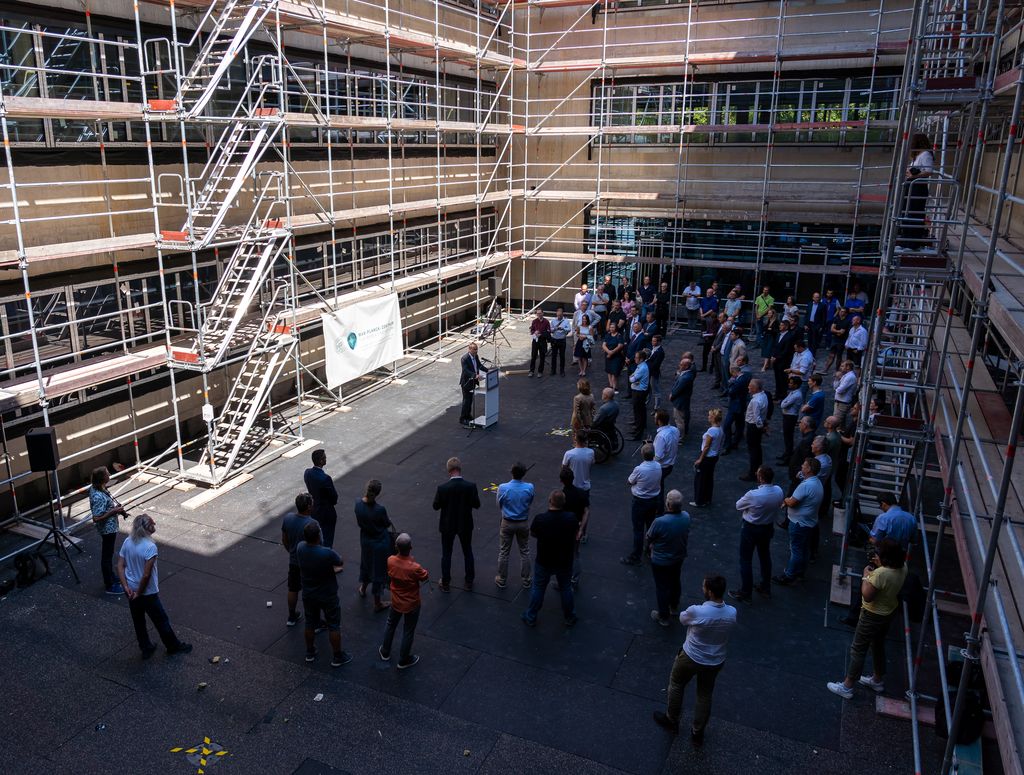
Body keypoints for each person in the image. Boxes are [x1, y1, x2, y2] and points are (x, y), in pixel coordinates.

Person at [652, 573, 737, 746]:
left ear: (711, 592)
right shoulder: (732, 612)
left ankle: (672, 719)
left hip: (691, 657)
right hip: (715, 661)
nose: (702, 588)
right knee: (704, 694)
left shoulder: (697, 611)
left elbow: (683, 619)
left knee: (676, 684)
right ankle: (697, 732)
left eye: (704, 586)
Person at [826, 538, 907, 699]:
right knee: (877, 644)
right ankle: (877, 679)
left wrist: (865, 576)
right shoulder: (903, 567)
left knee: (858, 649)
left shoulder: (880, 574)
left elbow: (867, 595)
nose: (875, 556)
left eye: (878, 554)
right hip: (888, 612)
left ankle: (847, 686)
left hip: (872, 614)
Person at [117, 513, 192, 658]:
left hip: (131, 589)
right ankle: (172, 646)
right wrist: (139, 592)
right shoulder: (150, 547)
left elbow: (120, 565)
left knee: (138, 620)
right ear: (146, 528)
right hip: (146, 592)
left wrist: (126, 587)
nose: (155, 524)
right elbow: (146, 575)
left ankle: (146, 647)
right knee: (160, 620)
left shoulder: (128, 541)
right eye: (152, 523)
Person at [296, 521, 352, 667]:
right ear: (318, 536)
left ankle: (310, 652)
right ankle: (337, 656)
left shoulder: (300, 547)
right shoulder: (326, 552)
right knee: (333, 624)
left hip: (309, 593)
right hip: (327, 594)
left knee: (309, 622)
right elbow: (339, 562)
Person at [522, 490, 579, 627]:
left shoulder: (540, 519)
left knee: (539, 588)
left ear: (550, 501)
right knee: (566, 587)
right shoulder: (571, 518)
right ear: (563, 503)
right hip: (564, 560)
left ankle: (531, 616)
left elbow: (534, 534)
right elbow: (575, 532)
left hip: (544, 559)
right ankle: (569, 616)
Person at [729, 466, 785, 603]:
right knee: (765, 557)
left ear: (760, 478)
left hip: (751, 528)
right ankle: (765, 587)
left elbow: (738, 505)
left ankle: (745, 592)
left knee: (746, 560)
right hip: (767, 528)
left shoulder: (753, 494)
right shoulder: (778, 491)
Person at [379, 532, 429, 670]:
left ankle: (385, 651)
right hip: (412, 603)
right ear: (411, 547)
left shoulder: (390, 560)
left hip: (396, 600)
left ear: (396, 547)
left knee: (391, 624)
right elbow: (425, 575)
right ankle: (403, 659)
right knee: (408, 630)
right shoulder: (415, 567)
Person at [432, 456, 480, 592]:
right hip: (465, 524)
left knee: (446, 553)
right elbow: (477, 504)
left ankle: (445, 582)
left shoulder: (442, 488)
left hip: (447, 525)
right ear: (460, 469)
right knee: (467, 551)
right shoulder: (470, 487)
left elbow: (436, 506)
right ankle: (469, 582)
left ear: (449, 471)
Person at [773, 457, 823, 585]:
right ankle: (800, 572)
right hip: (809, 522)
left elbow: (792, 502)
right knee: (804, 549)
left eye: (804, 465)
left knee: (796, 550)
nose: (801, 466)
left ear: (809, 469)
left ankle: (789, 575)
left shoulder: (806, 486)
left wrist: (785, 500)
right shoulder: (817, 483)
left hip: (799, 523)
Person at [647, 490, 691, 626]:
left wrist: (649, 547)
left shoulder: (660, 521)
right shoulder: (686, 516)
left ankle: (663, 615)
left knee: (662, 587)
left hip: (661, 560)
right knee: (675, 581)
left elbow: (649, 537)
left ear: (668, 504)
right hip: (678, 557)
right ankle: (674, 607)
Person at [621, 444, 662, 565]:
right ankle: (649, 549)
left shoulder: (639, 469)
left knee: (638, 529)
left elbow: (629, 481)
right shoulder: (658, 466)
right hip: (654, 500)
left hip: (640, 501)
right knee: (650, 526)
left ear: (642, 455)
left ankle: (636, 556)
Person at [355, 479, 393, 612]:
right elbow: (386, 524)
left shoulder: (358, 504)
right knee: (378, 570)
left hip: (365, 540)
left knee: (366, 564)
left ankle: (363, 588)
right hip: (379, 543)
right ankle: (377, 603)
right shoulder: (380, 509)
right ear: (377, 493)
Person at [496, 462, 534, 589]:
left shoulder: (503, 487)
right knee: (525, 551)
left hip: (507, 522)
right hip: (522, 522)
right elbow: (530, 502)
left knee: (504, 551)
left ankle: (501, 579)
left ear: (512, 472)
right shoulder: (529, 487)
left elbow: (499, 504)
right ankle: (526, 579)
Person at [281, 493, 317, 627]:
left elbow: (284, 539)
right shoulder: (312, 524)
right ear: (308, 507)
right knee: (311, 591)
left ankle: (291, 616)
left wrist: (291, 551)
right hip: (309, 564)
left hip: (294, 561)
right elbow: (319, 545)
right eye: (312, 503)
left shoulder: (288, 518)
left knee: (293, 588)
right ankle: (314, 620)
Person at [90, 465, 127, 595]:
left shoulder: (99, 488)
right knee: (106, 557)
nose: (109, 474)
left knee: (109, 554)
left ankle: (111, 576)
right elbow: (96, 518)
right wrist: (114, 511)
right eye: (107, 473)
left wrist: (114, 509)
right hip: (107, 530)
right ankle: (109, 585)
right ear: (102, 478)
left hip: (110, 527)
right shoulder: (98, 496)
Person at [304, 449, 340, 566]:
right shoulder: (325, 478)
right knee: (328, 537)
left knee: (318, 535)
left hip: (315, 510)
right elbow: (334, 497)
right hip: (326, 511)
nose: (326, 459)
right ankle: (326, 562)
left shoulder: (308, 473)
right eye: (324, 457)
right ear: (320, 461)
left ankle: (317, 557)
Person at [560, 465, 589, 587]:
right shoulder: (582, 493)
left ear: (561, 481)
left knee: (563, 554)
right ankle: (574, 579)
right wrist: (581, 529)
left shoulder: (561, 496)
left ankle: (563, 579)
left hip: (564, 528)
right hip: (576, 526)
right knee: (575, 553)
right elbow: (586, 511)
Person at [691, 408, 724, 508]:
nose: (708, 417)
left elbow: (706, 447)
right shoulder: (720, 429)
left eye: (709, 415)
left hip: (707, 458)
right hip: (714, 457)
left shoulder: (711, 431)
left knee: (700, 479)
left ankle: (699, 501)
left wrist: (700, 459)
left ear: (714, 418)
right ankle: (707, 499)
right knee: (709, 478)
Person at [740, 379, 769, 482]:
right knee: (757, 449)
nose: (748, 387)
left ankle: (753, 474)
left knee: (753, 451)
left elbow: (757, 418)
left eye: (750, 386)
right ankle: (759, 470)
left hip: (753, 427)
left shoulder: (755, 401)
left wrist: (761, 428)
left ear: (755, 388)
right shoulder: (764, 395)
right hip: (757, 426)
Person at [721, 363, 751, 454]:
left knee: (727, 425)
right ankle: (735, 442)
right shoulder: (745, 377)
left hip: (735, 406)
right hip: (741, 405)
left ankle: (728, 445)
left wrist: (731, 382)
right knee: (739, 425)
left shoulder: (738, 381)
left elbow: (731, 392)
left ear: (734, 372)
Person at [654, 409, 680, 501]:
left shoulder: (661, 436)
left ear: (659, 421)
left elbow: (658, 456)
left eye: (655, 418)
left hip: (662, 466)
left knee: (657, 489)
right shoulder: (675, 429)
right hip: (670, 464)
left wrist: (647, 456)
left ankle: (659, 508)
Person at [769, 319, 797, 398]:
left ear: (786, 326)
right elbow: (775, 346)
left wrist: (776, 358)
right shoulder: (778, 334)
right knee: (777, 378)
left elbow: (787, 350)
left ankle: (782, 395)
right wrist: (772, 355)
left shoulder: (790, 336)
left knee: (783, 379)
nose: (779, 326)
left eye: (781, 325)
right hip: (776, 360)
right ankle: (777, 393)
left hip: (784, 361)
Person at [670, 355, 696, 437]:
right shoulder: (686, 374)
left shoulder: (685, 377)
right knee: (679, 419)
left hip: (680, 401)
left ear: (686, 366)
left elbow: (678, 389)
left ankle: (680, 437)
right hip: (682, 400)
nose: (679, 366)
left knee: (679, 420)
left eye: (681, 365)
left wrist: (672, 395)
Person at [788, 416, 816, 490]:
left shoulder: (806, 440)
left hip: (799, 475)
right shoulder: (810, 437)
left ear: (805, 425)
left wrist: (801, 472)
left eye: (800, 422)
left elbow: (806, 458)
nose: (799, 424)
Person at [459, 342, 483, 426]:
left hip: (473, 382)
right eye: (474, 350)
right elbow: (466, 371)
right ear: (469, 349)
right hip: (466, 382)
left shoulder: (476, 356)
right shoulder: (464, 358)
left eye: (477, 350)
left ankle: (468, 415)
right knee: (466, 401)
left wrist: (488, 371)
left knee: (470, 400)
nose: (476, 352)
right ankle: (463, 418)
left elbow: (479, 366)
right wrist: (475, 375)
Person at [778, 376, 802, 462]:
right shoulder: (793, 393)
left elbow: (783, 405)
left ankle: (788, 457)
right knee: (787, 437)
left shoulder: (796, 395)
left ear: (795, 385)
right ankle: (786, 454)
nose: (789, 384)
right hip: (788, 416)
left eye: (791, 383)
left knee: (788, 437)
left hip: (790, 417)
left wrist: (784, 402)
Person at [629, 349, 651, 440]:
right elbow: (633, 377)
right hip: (639, 390)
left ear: (641, 359)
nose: (635, 359)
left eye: (636, 358)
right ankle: (639, 427)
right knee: (640, 411)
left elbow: (632, 379)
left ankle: (638, 433)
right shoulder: (641, 366)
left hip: (639, 392)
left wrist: (632, 378)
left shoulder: (642, 368)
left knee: (638, 412)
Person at [573, 302, 597, 377]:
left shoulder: (590, 327)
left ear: (587, 320)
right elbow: (577, 333)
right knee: (579, 357)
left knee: (585, 357)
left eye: (585, 319)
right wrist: (579, 335)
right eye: (583, 319)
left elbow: (592, 337)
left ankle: (584, 370)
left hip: (586, 343)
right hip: (580, 342)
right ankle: (581, 370)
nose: (584, 321)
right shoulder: (579, 326)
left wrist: (585, 337)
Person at [602, 320, 626, 392]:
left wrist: (611, 353)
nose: (611, 328)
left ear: (616, 328)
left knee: (614, 372)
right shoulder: (608, 335)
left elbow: (620, 345)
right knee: (609, 371)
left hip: (616, 356)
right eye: (610, 327)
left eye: (613, 327)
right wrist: (608, 352)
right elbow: (603, 345)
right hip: (608, 355)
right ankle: (611, 385)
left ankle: (615, 387)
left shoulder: (619, 336)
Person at [824, 306, 850, 371]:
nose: (841, 313)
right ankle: (825, 369)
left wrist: (835, 331)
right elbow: (832, 329)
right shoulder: (836, 319)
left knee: (839, 356)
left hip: (841, 341)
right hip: (834, 339)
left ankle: (837, 370)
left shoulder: (847, 321)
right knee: (831, 355)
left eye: (843, 312)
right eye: (841, 311)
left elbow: (842, 332)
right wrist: (837, 331)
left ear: (846, 313)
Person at [710, 319, 733, 390]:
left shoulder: (728, 334)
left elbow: (722, 343)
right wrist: (713, 346)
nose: (722, 328)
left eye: (724, 328)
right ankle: (717, 383)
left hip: (720, 353)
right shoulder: (722, 329)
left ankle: (723, 386)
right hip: (716, 351)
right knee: (717, 369)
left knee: (722, 370)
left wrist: (715, 348)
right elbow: (716, 338)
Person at [549, 307, 572, 376]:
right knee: (554, 356)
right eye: (558, 314)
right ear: (556, 313)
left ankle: (562, 371)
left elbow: (569, 329)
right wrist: (555, 328)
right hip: (554, 340)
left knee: (562, 356)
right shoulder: (553, 321)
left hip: (562, 340)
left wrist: (563, 328)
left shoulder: (566, 321)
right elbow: (550, 330)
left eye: (560, 314)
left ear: (562, 314)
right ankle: (553, 370)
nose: (559, 315)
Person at [528, 308, 550, 377]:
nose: (539, 315)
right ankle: (531, 371)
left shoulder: (546, 322)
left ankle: (540, 372)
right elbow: (531, 330)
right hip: (535, 341)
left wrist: (541, 334)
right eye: (537, 313)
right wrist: (534, 332)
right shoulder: (534, 321)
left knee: (542, 357)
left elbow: (548, 331)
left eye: (540, 313)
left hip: (542, 341)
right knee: (533, 356)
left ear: (543, 313)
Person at [647, 334, 666, 410]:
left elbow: (655, 364)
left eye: (654, 341)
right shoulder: (653, 348)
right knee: (649, 389)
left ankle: (656, 407)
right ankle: (647, 403)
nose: (652, 342)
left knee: (655, 390)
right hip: (650, 372)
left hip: (653, 373)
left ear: (659, 342)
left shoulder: (660, 352)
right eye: (652, 340)